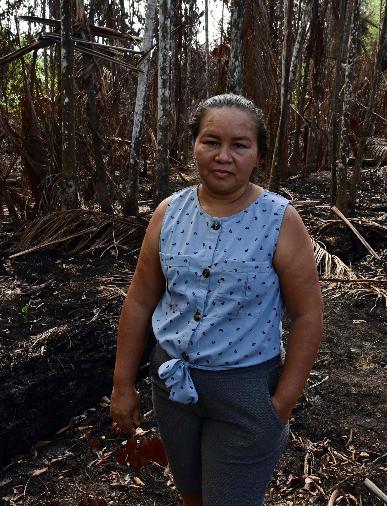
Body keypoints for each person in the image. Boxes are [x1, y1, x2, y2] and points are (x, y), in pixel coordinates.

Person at [110, 94, 324, 506]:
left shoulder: (279, 220)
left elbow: (307, 314)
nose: (223, 156)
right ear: (194, 145)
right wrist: (122, 384)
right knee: (191, 494)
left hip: (245, 393)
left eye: (239, 145)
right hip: (172, 385)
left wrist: (281, 403)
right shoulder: (168, 213)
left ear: (257, 154)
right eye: (211, 141)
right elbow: (139, 300)